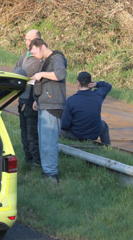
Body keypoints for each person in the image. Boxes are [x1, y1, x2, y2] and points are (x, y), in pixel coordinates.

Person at [29, 38, 67, 184]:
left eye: (34, 51)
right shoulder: (45, 61)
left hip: (52, 107)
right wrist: (37, 100)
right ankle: (47, 171)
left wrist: (42, 74)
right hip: (43, 105)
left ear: (42, 47)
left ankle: (51, 175)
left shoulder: (57, 58)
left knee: (49, 142)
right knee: (44, 142)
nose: (33, 55)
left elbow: (60, 74)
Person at [15, 30, 43, 168]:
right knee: (24, 134)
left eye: (28, 40)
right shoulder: (25, 56)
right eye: (26, 39)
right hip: (22, 100)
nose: (26, 42)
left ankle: (36, 162)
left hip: (32, 102)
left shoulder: (38, 58)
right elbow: (16, 71)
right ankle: (28, 159)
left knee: (32, 135)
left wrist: (22, 74)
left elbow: (23, 73)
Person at [61, 72, 112, 145]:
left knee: (58, 129)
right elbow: (108, 86)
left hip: (77, 135)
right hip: (93, 135)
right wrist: (96, 84)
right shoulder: (98, 95)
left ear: (78, 83)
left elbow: (64, 125)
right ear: (90, 83)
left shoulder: (71, 100)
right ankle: (107, 146)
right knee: (104, 125)